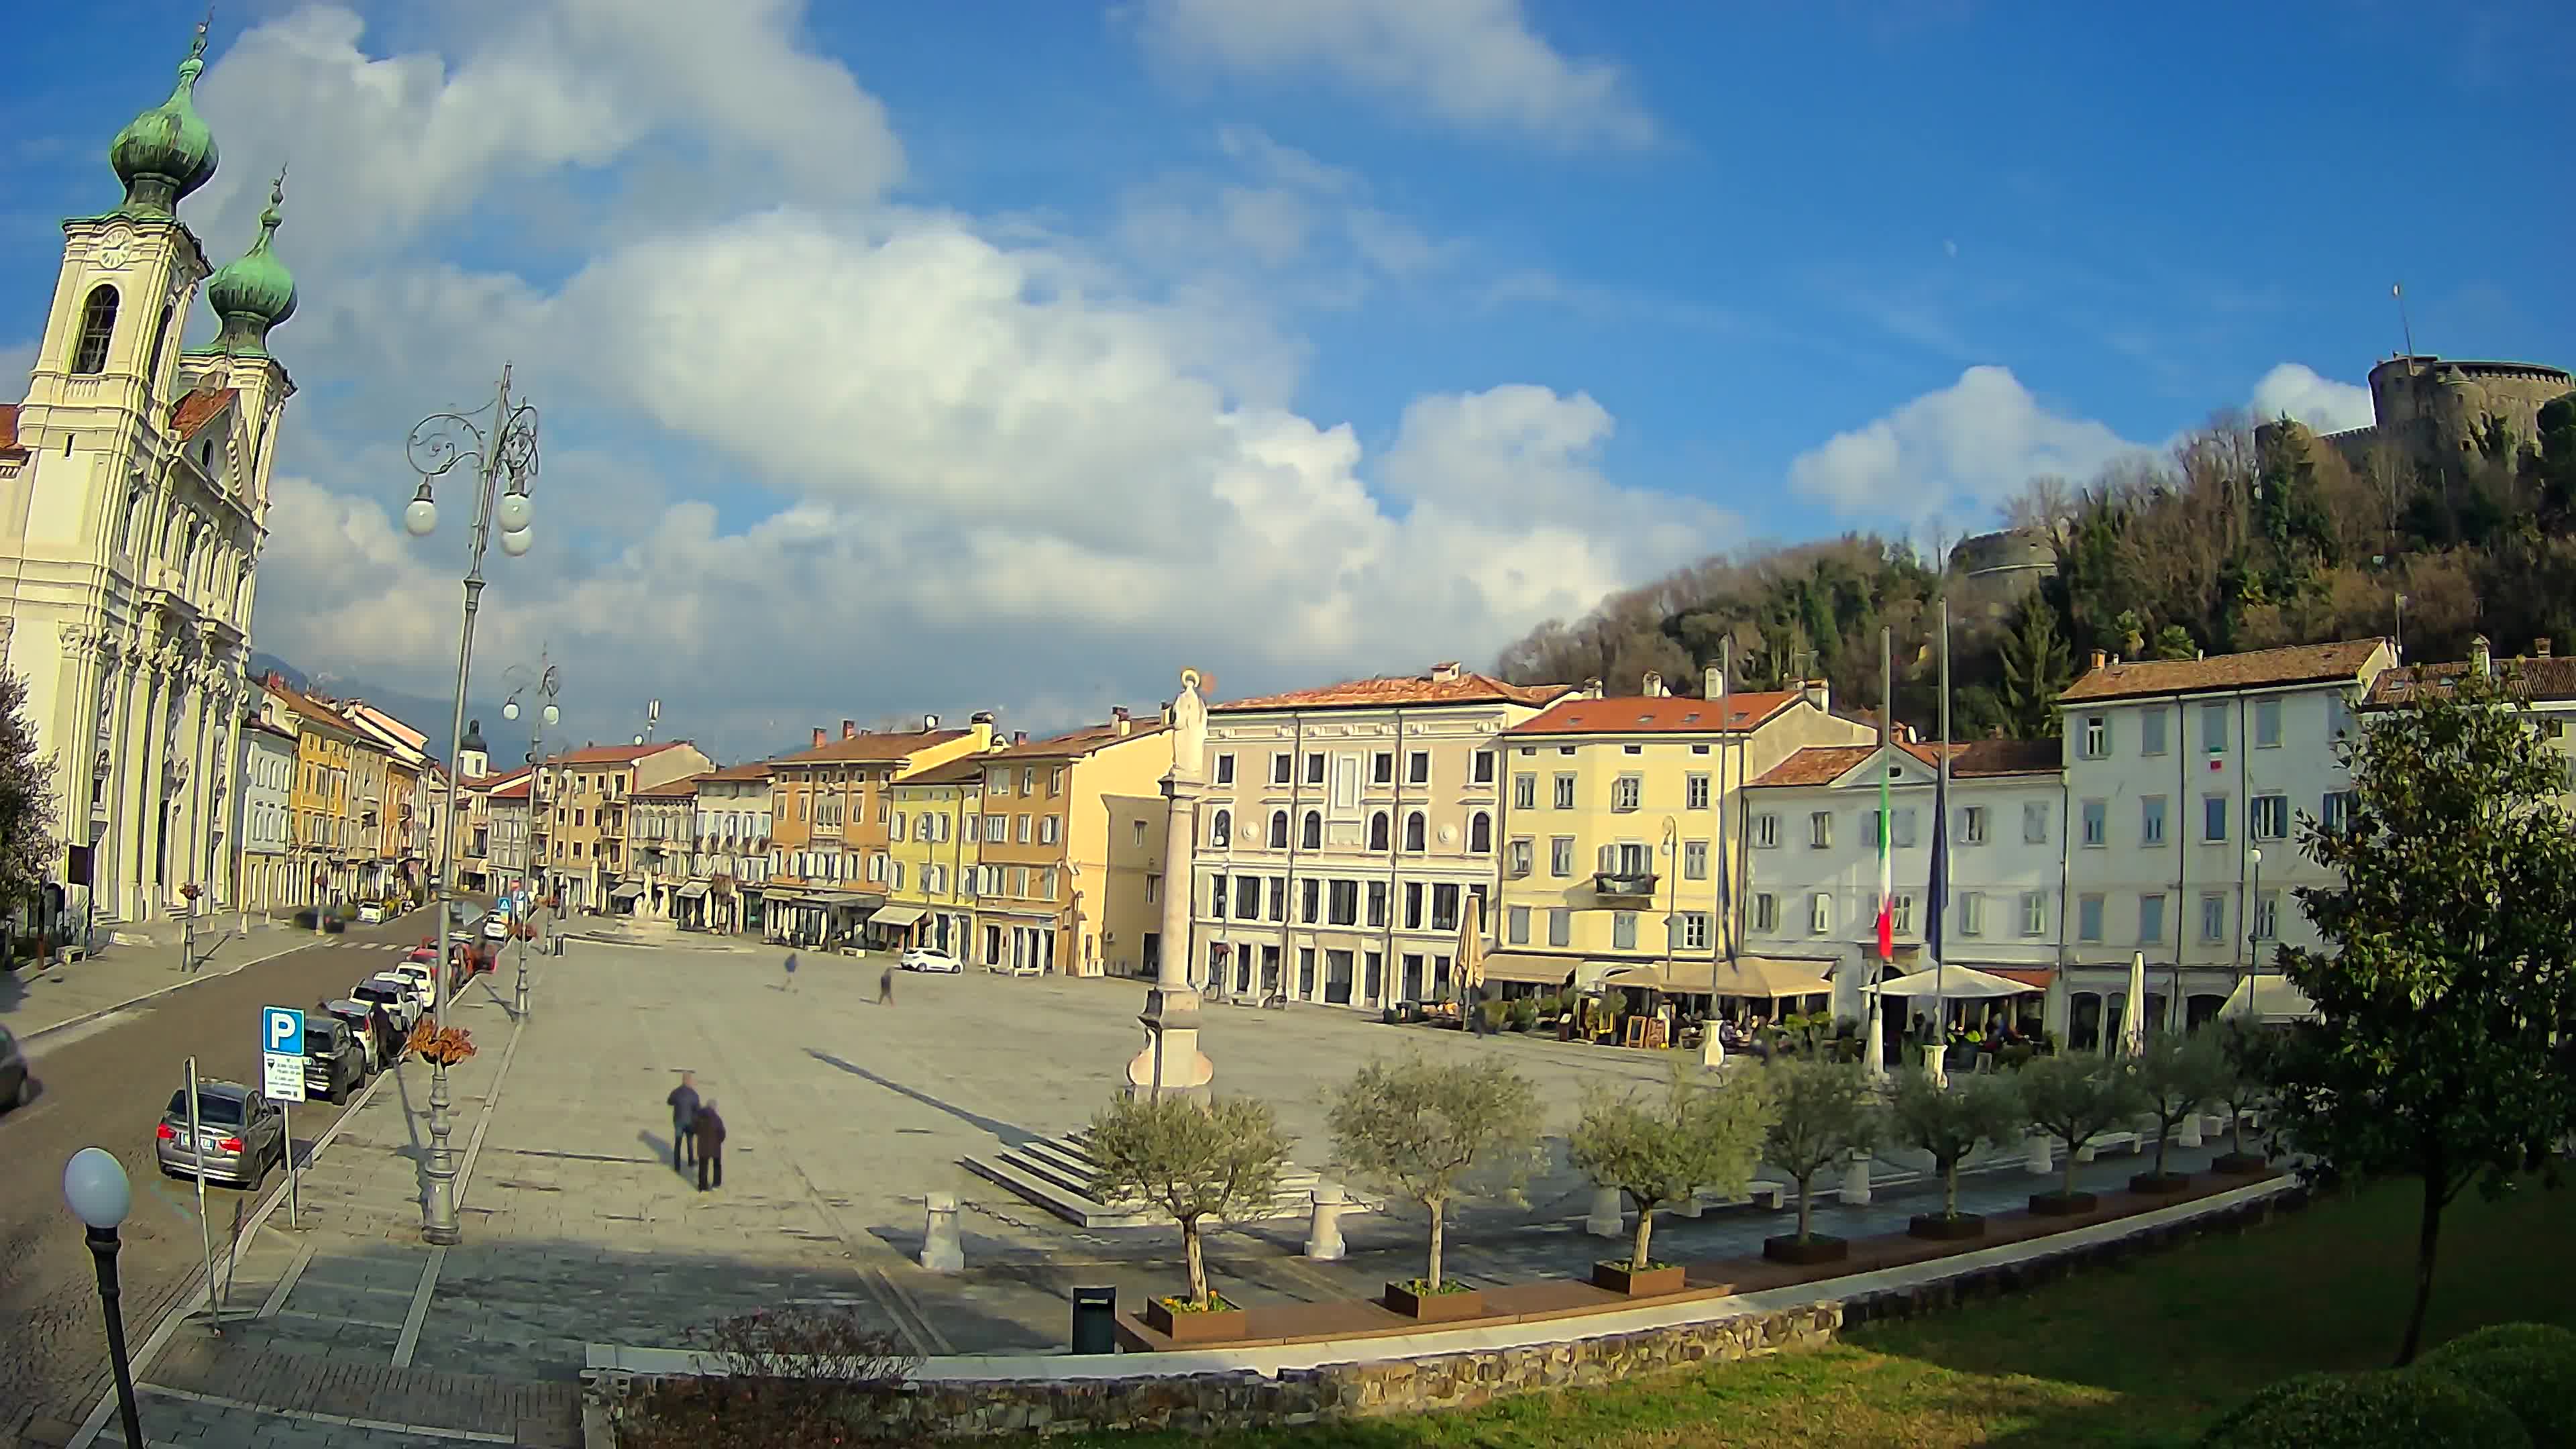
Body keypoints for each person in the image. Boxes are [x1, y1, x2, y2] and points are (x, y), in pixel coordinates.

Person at [665, 1071, 700, 1171]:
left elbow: (669, 1102)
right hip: (690, 1122)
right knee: (689, 1141)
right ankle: (690, 1161)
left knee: (678, 1143)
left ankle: (677, 1166)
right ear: (689, 1081)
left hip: (678, 1121)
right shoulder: (694, 1094)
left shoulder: (676, 1092)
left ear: (683, 1080)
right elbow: (698, 1109)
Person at [693, 1099, 726, 1191]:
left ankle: (703, 1186)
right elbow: (722, 1133)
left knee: (703, 1166)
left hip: (702, 1145)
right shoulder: (717, 1119)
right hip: (715, 1146)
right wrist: (719, 1141)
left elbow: (695, 1129)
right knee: (717, 1165)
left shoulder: (698, 1117)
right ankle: (716, 1184)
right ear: (714, 1108)